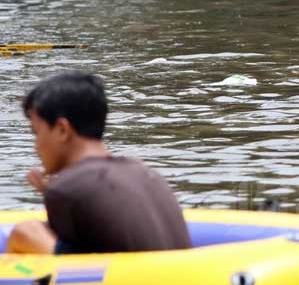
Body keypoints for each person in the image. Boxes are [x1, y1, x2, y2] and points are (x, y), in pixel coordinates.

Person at [7, 71, 191, 254]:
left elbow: (71, 269)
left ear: (63, 129)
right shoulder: (145, 173)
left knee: (24, 233)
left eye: (36, 133)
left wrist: (54, 193)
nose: (35, 147)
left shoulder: (66, 189)